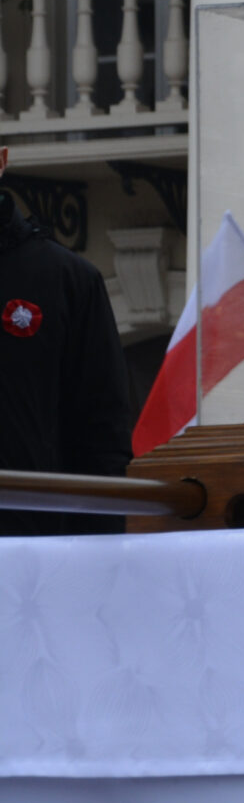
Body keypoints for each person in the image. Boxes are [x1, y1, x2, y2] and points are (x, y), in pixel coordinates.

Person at [0, 147, 135, 535]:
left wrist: (100, 554)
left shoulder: (67, 279)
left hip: (28, 544)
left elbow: (102, 435)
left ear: (2, 160)